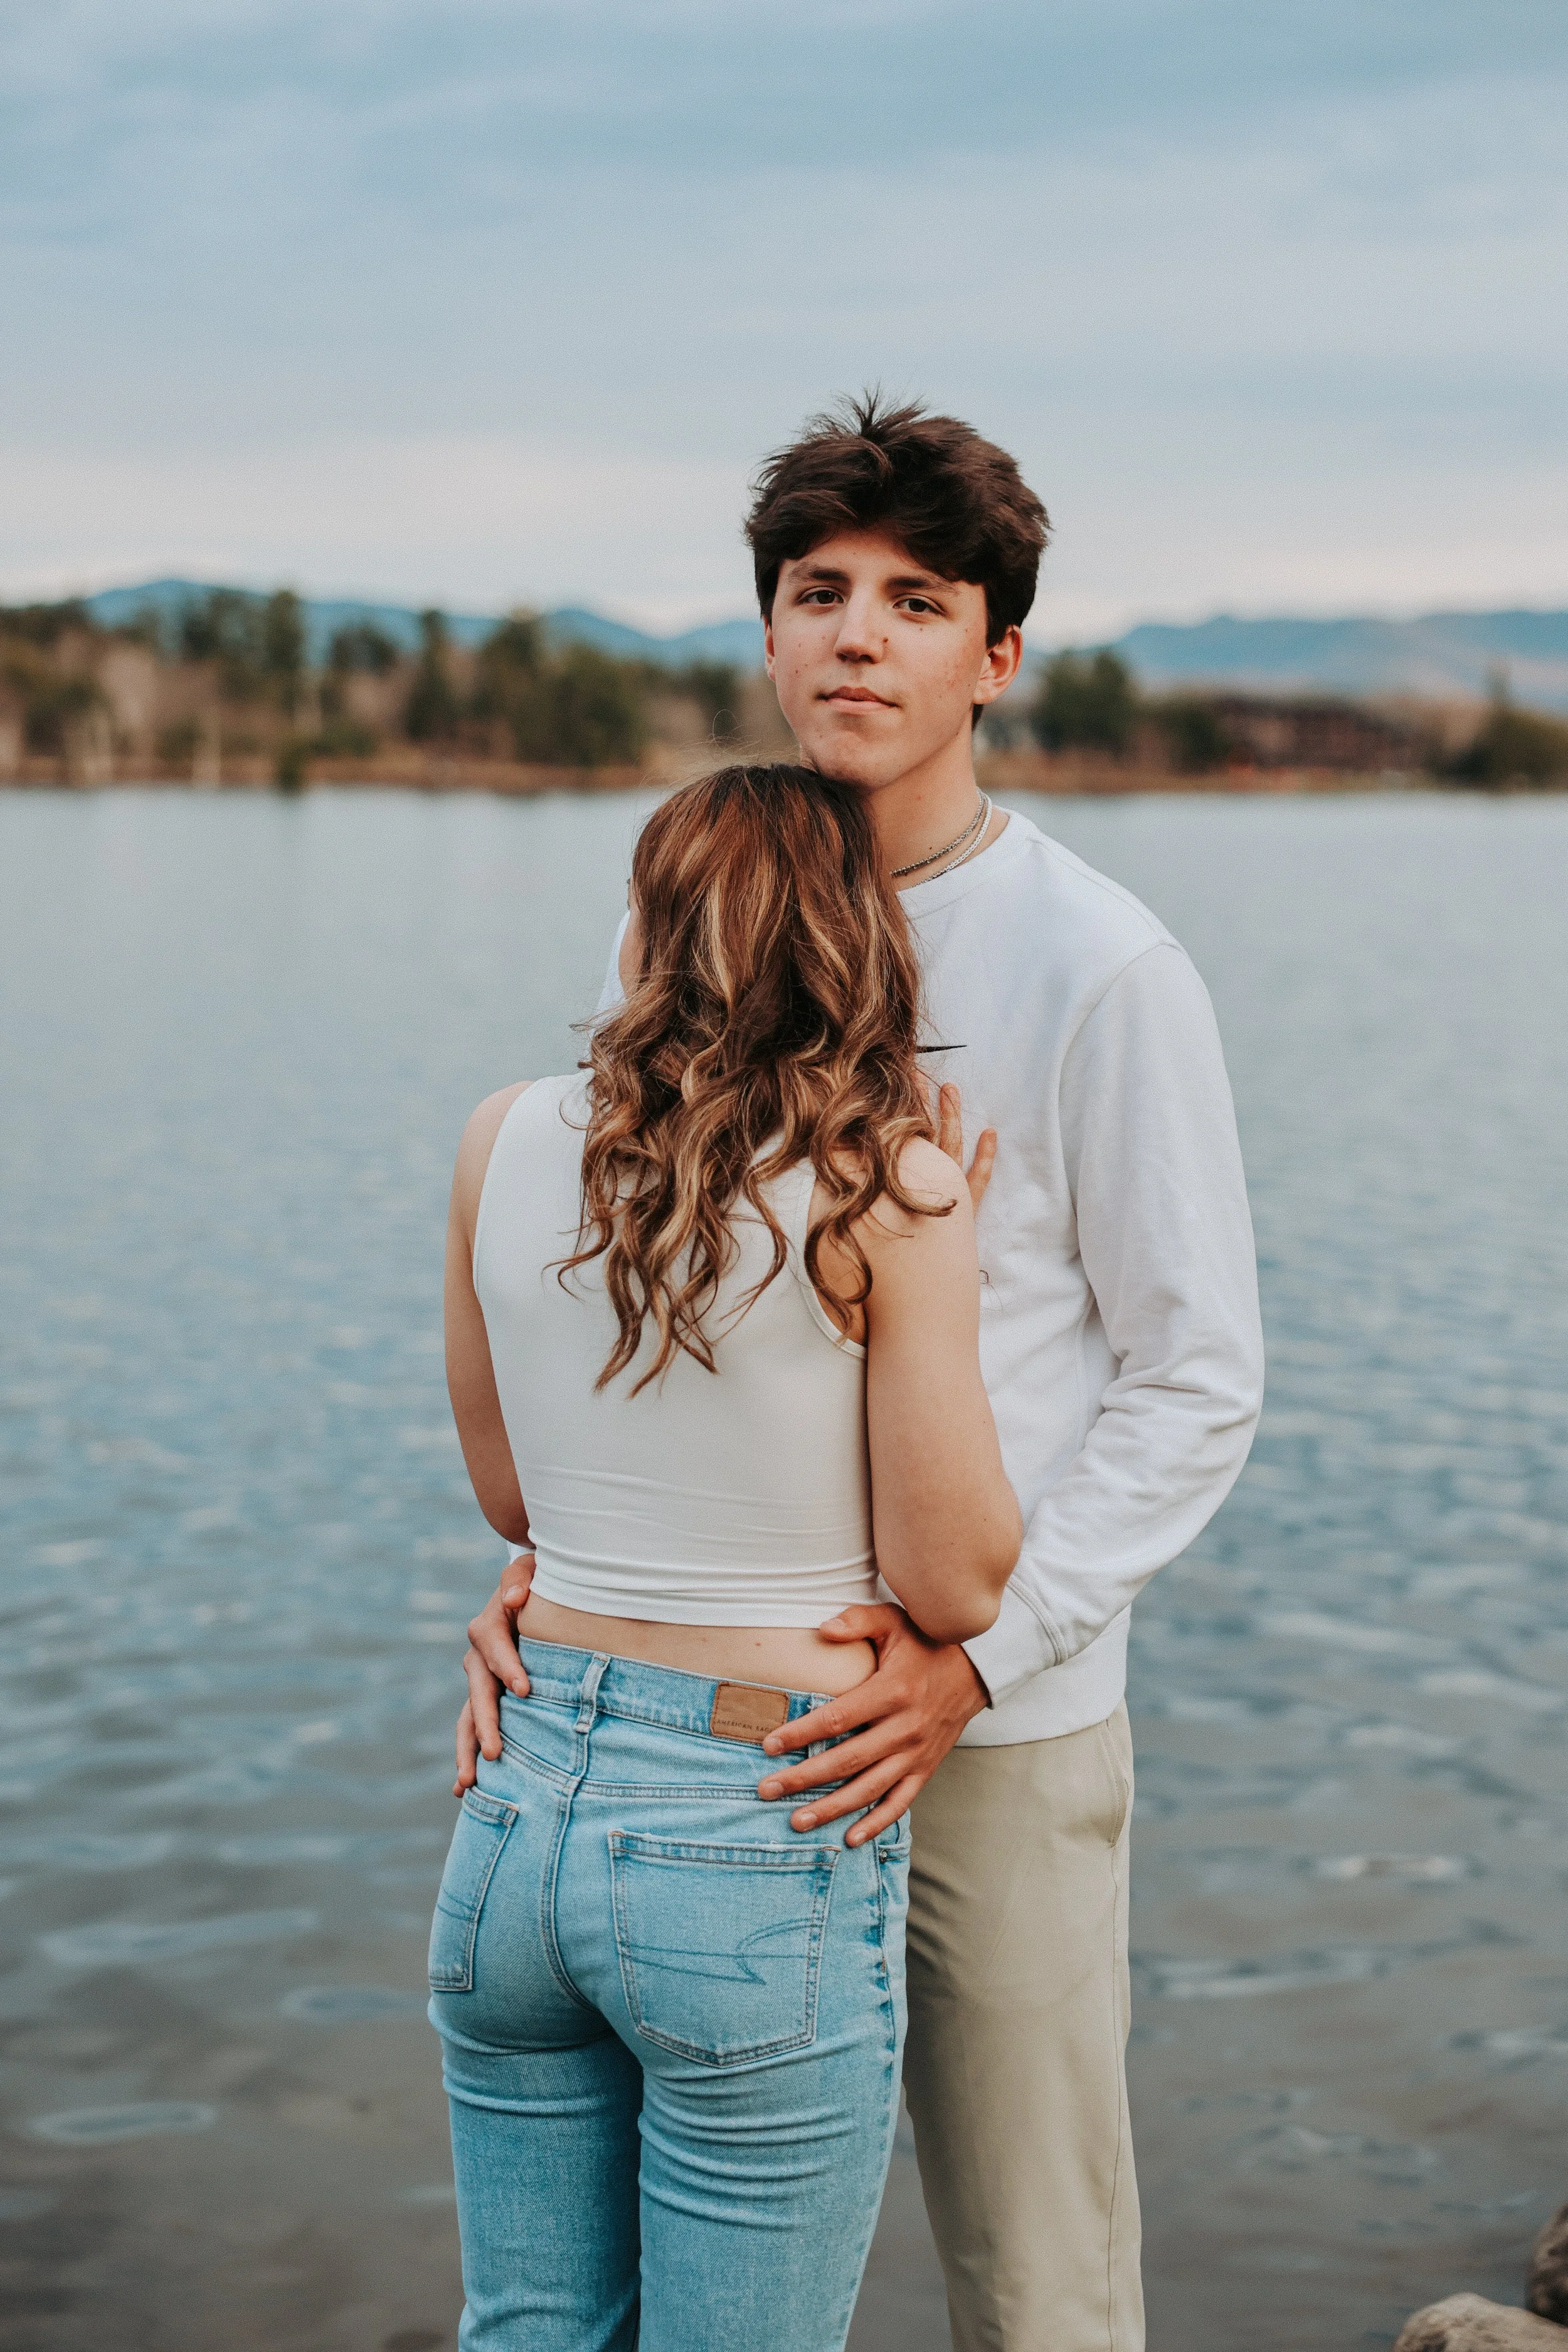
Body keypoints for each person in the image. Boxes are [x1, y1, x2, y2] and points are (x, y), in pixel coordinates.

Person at [458, 395, 1266, 2352]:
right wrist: (551, 1585)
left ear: (996, 656)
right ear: (765, 630)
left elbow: (1196, 1378)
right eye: (819, 590)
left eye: (916, 602)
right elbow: (628, 1299)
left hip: (990, 1725)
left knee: (1034, 2275)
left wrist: (975, 1662)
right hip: (703, 1744)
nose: (856, 635)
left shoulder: (1097, 964)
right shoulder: (687, 918)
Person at [432, 760, 1022, 2351]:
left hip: (517, 1808)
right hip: (752, 1823)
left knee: (528, 2330)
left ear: (648, 928)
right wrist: (947, 1264)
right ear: (852, 939)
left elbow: (512, 1502)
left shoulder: (500, 1138)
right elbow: (957, 1581)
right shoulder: (890, 1186)